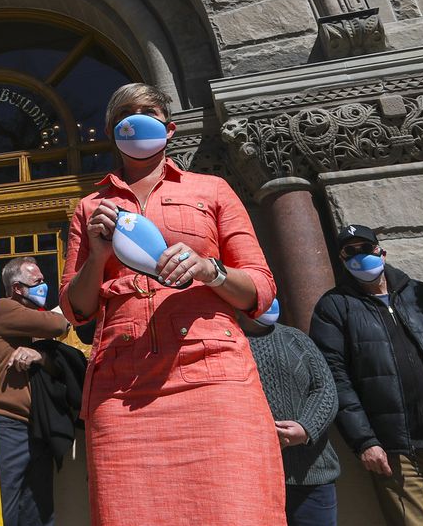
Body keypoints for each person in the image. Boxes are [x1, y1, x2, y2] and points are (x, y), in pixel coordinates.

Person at [60, 82, 285, 526]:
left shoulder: (212, 189)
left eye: (149, 111)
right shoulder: (90, 207)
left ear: (170, 128)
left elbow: (260, 289)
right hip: (122, 388)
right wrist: (99, 256)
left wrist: (209, 270)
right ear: (113, 131)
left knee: (236, 510)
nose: (138, 118)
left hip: (215, 377)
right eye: (127, 112)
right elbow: (76, 309)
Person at [310, 223, 423, 526]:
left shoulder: (420, 294)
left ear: (381, 251)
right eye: (350, 252)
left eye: (366, 248)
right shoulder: (335, 306)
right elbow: (335, 377)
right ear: (342, 261)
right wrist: (364, 441)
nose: (360, 256)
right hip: (394, 449)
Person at [0, 256, 70, 526]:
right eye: (38, 281)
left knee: (39, 510)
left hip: (36, 427)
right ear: (18, 288)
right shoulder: (2, 309)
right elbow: (59, 325)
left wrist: (40, 356)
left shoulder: (29, 329)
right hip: (6, 424)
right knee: (4, 506)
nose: (44, 286)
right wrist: (73, 308)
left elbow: (57, 369)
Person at [241, 299, 342, 526]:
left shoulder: (295, 338)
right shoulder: (231, 344)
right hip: (256, 480)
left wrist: (305, 428)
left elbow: (325, 389)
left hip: (311, 475)